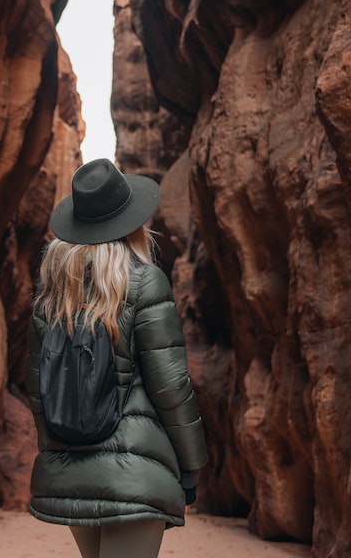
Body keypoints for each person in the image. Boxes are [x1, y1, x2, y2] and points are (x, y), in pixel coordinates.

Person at [26, 158, 209, 558]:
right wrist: (191, 464)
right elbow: (170, 385)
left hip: (67, 468)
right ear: (132, 223)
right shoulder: (143, 282)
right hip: (135, 469)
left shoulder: (52, 294)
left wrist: (57, 450)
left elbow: (38, 387)